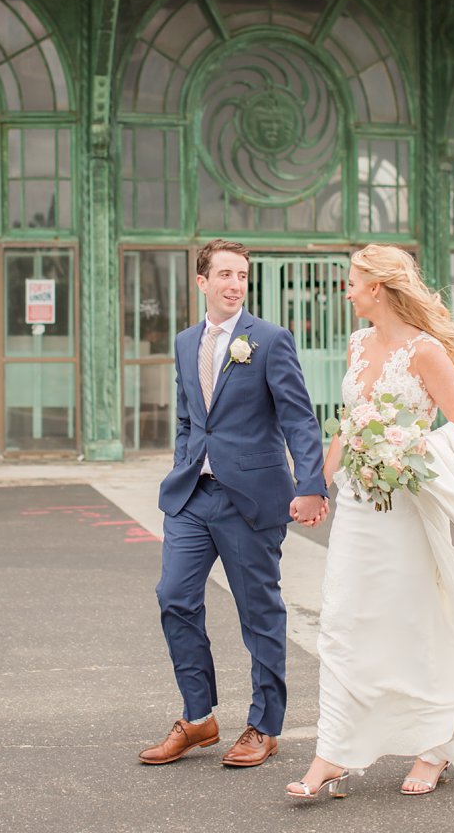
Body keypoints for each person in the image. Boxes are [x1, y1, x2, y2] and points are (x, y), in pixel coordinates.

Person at [287, 244, 454, 801]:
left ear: (378, 289)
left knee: (415, 624)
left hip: (407, 507)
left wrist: (405, 445)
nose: (347, 289)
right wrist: (314, 485)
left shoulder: (425, 352)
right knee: (342, 624)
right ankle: (331, 754)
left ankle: (434, 746)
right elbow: (347, 424)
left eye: (353, 281)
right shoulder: (357, 344)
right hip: (359, 510)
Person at [141, 239, 328, 769]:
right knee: (174, 596)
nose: (234, 284)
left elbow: (298, 418)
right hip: (192, 495)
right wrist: (185, 459)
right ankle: (198, 718)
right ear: (201, 282)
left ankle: (264, 725)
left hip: (251, 498)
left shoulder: (268, 340)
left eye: (242, 275)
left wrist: (310, 483)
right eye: (224, 274)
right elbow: (188, 415)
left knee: (257, 612)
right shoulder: (184, 342)